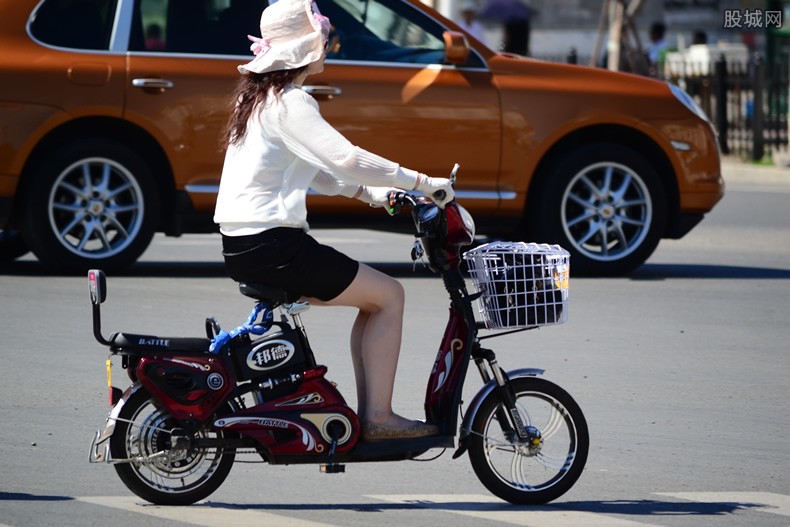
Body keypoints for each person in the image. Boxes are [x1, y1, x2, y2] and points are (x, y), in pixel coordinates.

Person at [214, 0, 454, 441]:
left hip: (246, 245)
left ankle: (372, 415)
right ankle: (379, 418)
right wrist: (422, 182)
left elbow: (322, 173)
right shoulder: (292, 102)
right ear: (307, 46)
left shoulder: (261, 100)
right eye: (323, 34)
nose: (328, 42)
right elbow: (345, 157)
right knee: (390, 296)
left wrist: (378, 195)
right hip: (275, 247)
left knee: (375, 298)